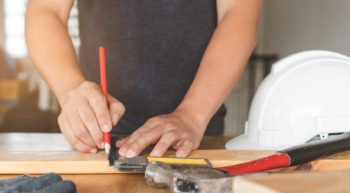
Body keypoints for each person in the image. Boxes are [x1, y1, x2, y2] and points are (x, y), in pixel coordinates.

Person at [25, 0, 262, 158]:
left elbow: (238, 13)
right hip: (96, 137)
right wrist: (70, 89)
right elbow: (46, 10)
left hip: (195, 135)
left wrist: (192, 115)